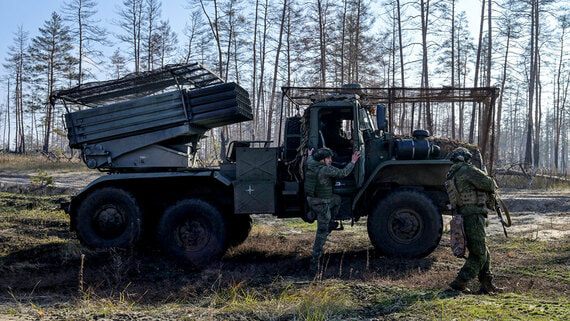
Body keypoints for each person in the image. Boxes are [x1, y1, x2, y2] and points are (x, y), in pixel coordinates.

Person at [446, 147, 501, 294]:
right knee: (479, 253)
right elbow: (489, 183)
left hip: (464, 215)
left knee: (483, 250)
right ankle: (460, 281)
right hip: (474, 215)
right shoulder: (466, 170)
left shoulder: (452, 173)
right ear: (465, 158)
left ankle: (486, 284)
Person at [305, 147, 361, 270]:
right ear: (322, 160)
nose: (330, 160)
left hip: (312, 200)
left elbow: (309, 158)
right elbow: (343, 173)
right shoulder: (325, 170)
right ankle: (314, 261)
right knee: (322, 232)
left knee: (337, 199)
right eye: (328, 158)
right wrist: (353, 161)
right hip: (321, 203)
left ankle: (331, 222)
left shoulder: (310, 163)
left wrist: (310, 154)